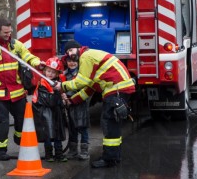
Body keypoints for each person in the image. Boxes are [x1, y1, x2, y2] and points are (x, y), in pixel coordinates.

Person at [54, 40, 135, 168]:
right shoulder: (89, 57)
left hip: (116, 89)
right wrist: (72, 100)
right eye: (67, 53)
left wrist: (62, 86)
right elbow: (89, 88)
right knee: (112, 124)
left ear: (77, 48)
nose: (69, 55)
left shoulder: (85, 56)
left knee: (108, 123)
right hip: (118, 88)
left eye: (70, 50)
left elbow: (81, 81)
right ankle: (114, 156)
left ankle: (109, 159)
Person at [0, 18, 44, 161]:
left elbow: (28, 56)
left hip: (18, 93)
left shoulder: (15, 45)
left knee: (22, 120)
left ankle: (20, 140)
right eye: (5, 32)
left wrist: (38, 63)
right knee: (1, 123)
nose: (8, 35)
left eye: (10, 32)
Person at [32, 56, 67, 162]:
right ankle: (49, 155)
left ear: (57, 74)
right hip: (45, 112)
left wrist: (64, 98)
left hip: (56, 111)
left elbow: (59, 98)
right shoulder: (43, 83)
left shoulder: (58, 82)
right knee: (48, 134)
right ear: (45, 71)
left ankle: (59, 154)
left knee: (58, 134)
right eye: (48, 71)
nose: (50, 74)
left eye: (53, 72)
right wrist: (57, 92)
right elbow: (50, 101)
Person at [61, 56, 90, 160]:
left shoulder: (81, 74)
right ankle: (73, 151)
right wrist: (62, 95)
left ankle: (84, 151)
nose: (72, 63)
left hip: (80, 104)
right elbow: (61, 86)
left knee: (82, 127)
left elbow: (81, 87)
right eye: (69, 61)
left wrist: (69, 96)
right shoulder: (64, 74)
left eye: (74, 61)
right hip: (69, 106)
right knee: (72, 127)